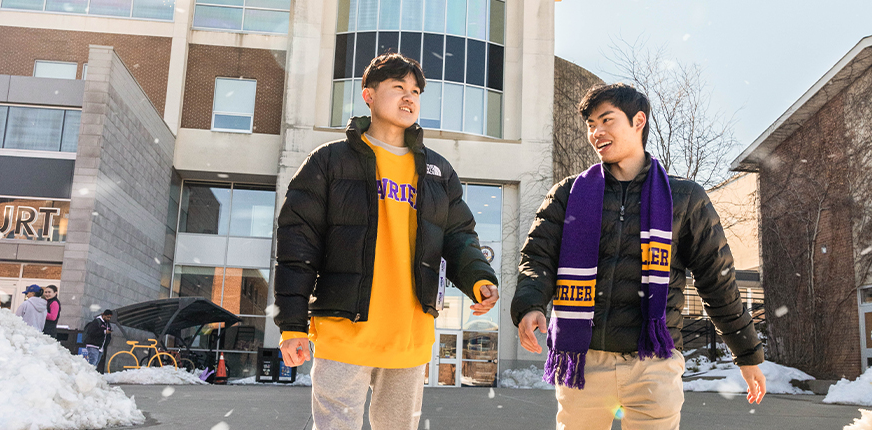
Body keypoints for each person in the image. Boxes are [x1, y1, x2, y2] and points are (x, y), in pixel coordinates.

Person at [511, 83, 766, 430]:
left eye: (606, 120)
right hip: (584, 362)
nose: (595, 132)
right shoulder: (568, 194)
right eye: (590, 124)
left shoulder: (684, 198)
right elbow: (538, 258)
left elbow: (717, 280)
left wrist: (747, 353)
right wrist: (530, 305)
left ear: (638, 121)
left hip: (654, 365)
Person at [274, 52, 499, 430]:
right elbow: (298, 247)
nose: (409, 97)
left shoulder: (438, 172)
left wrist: (479, 277)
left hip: (409, 336)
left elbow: (459, 236)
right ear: (368, 95)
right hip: (345, 330)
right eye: (398, 87)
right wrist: (292, 325)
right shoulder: (329, 162)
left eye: (415, 90)